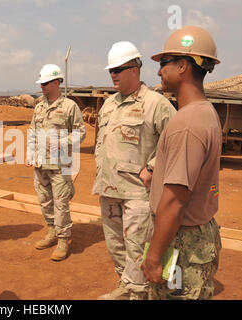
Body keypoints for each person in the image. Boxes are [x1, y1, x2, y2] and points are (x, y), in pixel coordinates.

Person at [141, 26, 222, 300]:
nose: (159, 71)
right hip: (192, 237)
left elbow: (175, 200)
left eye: (164, 64)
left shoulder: (187, 123)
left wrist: (153, 257)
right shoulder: (204, 112)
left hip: (183, 243)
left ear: (183, 66)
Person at [92, 42, 176, 300]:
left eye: (119, 69)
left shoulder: (156, 104)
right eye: (111, 70)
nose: (113, 75)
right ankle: (126, 285)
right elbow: (100, 141)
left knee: (137, 247)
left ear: (135, 68)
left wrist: (152, 167)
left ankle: (140, 294)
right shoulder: (108, 104)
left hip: (137, 194)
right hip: (109, 189)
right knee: (116, 246)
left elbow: (175, 141)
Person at [26, 64, 86, 261]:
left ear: (56, 82)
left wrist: (62, 142)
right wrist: (30, 152)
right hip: (40, 164)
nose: (42, 87)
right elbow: (33, 132)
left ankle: (63, 239)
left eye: (45, 83)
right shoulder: (39, 106)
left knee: (61, 204)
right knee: (45, 201)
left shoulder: (69, 107)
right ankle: (52, 232)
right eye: (41, 83)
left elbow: (81, 133)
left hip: (60, 165)